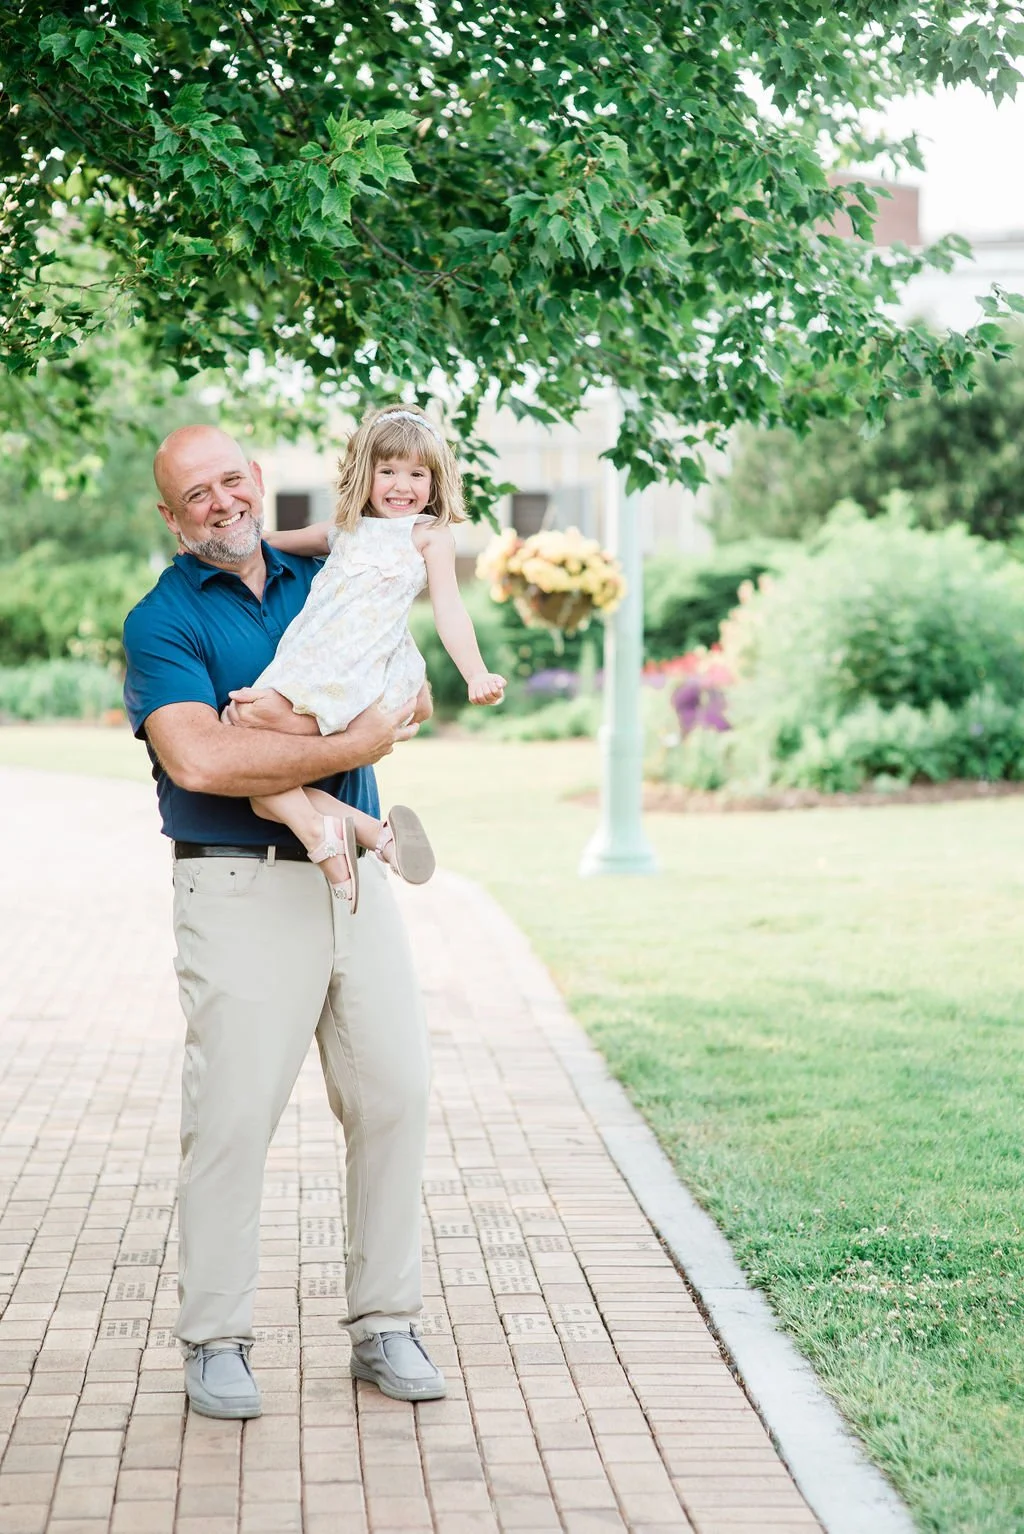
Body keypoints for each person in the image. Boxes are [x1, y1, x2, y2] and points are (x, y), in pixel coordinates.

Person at [122, 423, 447, 1419]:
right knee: (231, 1119)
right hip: (237, 885)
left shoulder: (331, 573)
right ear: (172, 516)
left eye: (232, 481)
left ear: (258, 481)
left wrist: (391, 710)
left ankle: (385, 1324)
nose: (221, 503)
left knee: (395, 1096)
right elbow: (203, 761)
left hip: (354, 883)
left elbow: (410, 690)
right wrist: (356, 740)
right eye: (197, 494)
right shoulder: (162, 620)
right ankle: (216, 1339)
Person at [232, 404, 506, 910]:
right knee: (260, 781)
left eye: (417, 474)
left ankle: (332, 846)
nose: (402, 486)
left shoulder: (428, 535)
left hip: (361, 672)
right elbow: (268, 544)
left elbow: (449, 608)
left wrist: (475, 672)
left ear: (435, 481)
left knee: (244, 741)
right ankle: (374, 838)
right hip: (313, 663)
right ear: (365, 473)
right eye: (388, 471)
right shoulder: (344, 530)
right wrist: (212, 547)